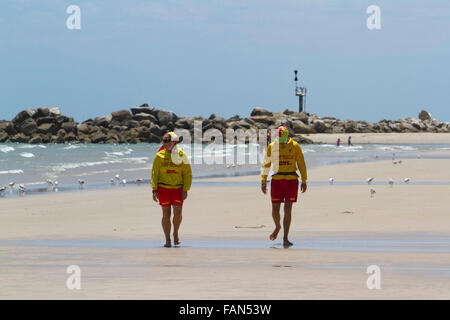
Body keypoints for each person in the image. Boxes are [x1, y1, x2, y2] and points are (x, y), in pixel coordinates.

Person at [261, 126, 307, 247]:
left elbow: (301, 163)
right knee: (275, 209)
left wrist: (304, 180)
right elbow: (266, 164)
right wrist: (263, 181)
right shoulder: (272, 147)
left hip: (291, 180)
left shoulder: (295, 146)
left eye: (284, 139)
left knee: (288, 209)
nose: (282, 142)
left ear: (287, 136)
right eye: (280, 139)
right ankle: (277, 226)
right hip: (277, 180)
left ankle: (285, 238)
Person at [151, 132, 192, 247]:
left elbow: (187, 174)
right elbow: (154, 173)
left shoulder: (181, 155)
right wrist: (154, 190)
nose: (164, 143)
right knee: (166, 214)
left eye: (167, 141)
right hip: (163, 188)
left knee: (178, 213)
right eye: (163, 141)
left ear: (174, 142)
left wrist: (185, 189)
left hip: (178, 188)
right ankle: (167, 239)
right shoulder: (159, 156)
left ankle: (175, 233)